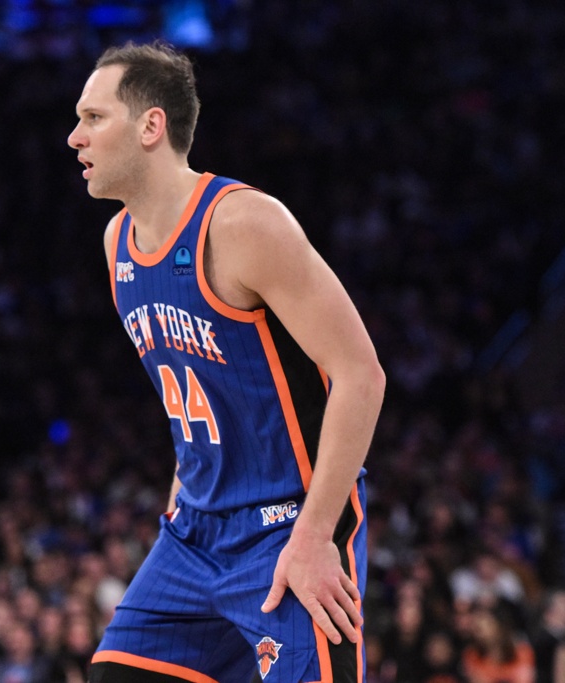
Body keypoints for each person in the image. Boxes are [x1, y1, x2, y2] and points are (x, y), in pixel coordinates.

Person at [67, 40, 385, 682]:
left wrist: (316, 533)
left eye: (93, 118)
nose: (76, 137)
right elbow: (197, 397)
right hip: (193, 532)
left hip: (286, 525)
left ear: (151, 126)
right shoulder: (116, 242)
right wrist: (179, 502)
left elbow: (360, 374)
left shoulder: (243, 224)